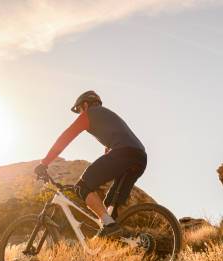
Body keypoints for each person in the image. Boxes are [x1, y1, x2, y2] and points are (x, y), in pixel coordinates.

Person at [34, 90, 147, 237]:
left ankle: (110, 226)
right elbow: (113, 146)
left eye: (80, 109)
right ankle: (122, 240)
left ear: (85, 105)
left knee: (82, 187)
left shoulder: (89, 114)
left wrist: (44, 163)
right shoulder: (108, 116)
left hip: (123, 153)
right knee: (110, 207)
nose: (80, 113)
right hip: (139, 157)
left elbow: (65, 138)